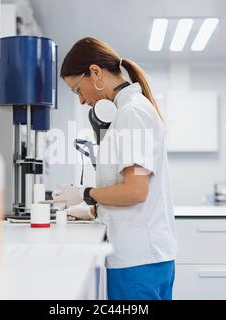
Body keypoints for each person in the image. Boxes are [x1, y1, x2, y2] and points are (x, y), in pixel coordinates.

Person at [52, 37, 178, 300]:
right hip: (146, 258)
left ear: (95, 72)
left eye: (77, 89)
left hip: (137, 261)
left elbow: (135, 191)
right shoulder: (130, 111)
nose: (82, 101)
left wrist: (86, 192)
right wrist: (91, 209)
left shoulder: (132, 113)